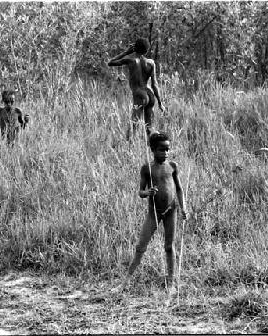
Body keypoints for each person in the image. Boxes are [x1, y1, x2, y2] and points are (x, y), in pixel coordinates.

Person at [121, 132, 187, 291]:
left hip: (171, 210)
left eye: (167, 149)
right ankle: (125, 283)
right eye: (161, 150)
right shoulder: (147, 169)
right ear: (152, 149)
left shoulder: (172, 166)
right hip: (154, 213)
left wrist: (184, 207)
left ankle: (171, 284)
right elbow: (140, 192)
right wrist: (147, 192)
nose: (165, 153)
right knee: (140, 246)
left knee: (169, 247)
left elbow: (179, 188)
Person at [108, 38, 165, 140]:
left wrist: (126, 52)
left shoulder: (131, 60)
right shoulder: (151, 63)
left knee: (134, 125)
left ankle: (128, 147)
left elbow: (111, 62)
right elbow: (154, 85)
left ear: (135, 48)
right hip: (150, 96)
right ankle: (152, 147)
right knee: (149, 127)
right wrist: (160, 103)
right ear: (146, 50)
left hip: (139, 94)